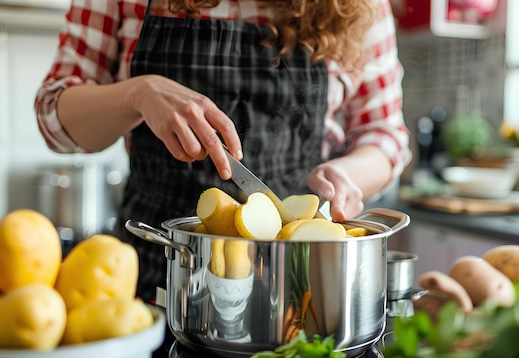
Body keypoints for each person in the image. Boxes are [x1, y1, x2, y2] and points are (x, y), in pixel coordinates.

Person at [36, 0, 411, 332]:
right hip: (156, 284)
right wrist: (138, 92)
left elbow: (385, 136)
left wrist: (347, 174)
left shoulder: (361, 6)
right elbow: (55, 119)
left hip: (299, 300)